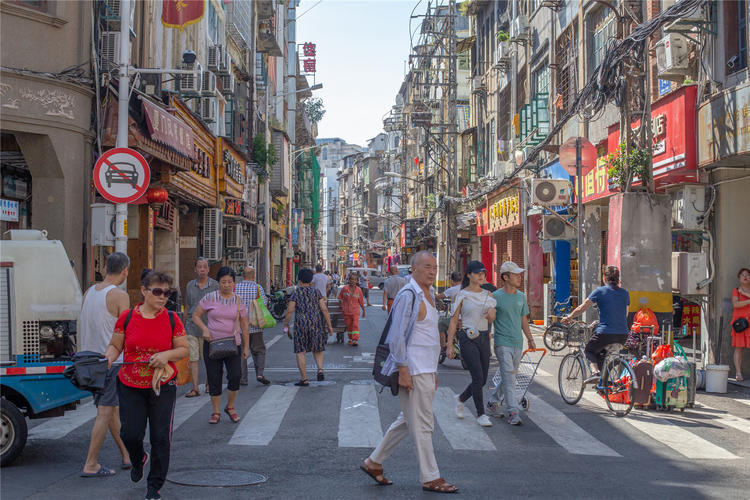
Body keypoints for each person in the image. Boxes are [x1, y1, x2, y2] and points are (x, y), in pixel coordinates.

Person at [361, 251, 458, 494]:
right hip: (413, 369)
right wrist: (403, 369)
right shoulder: (409, 294)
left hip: (425, 368)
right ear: (413, 269)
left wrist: (434, 372)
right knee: (424, 424)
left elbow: (428, 336)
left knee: (408, 420)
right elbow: (396, 337)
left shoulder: (429, 296)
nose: (432, 271)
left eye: (434, 267)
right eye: (426, 266)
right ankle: (430, 476)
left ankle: (374, 462)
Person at [104, 271, 189, 500]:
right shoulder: (128, 317)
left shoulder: (172, 318)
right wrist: (108, 358)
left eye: (167, 292)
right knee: (130, 434)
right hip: (130, 384)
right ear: (144, 291)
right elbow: (115, 345)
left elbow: (183, 349)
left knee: (161, 437)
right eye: (158, 291)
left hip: (162, 385)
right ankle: (138, 458)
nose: (163, 297)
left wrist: (166, 355)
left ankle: (154, 487)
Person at [80, 252, 131, 477]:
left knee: (111, 411)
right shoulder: (120, 296)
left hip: (89, 362)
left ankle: (127, 455)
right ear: (125, 271)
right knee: (105, 412)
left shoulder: (88, 292)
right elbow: (128, 331)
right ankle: (91, 463)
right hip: (111, 362)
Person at [191, 267, 250, 424]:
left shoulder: (238, 300)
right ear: (218, 282)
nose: (226, 285)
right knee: (214, 377)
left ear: (234, 283)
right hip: (212, 344)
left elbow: (245, 324)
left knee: (236, 376)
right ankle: (215, 411)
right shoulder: (210, 297)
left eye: (230, 282)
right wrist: (204, 329)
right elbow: (195, 315)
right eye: (223, 282)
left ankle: (230, 407)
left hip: (233, 344)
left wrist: (246, 346)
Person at [446, 261, 497, 427]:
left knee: (482, 380)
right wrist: (449, 345)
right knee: (477, 376)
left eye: (483, 272)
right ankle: (481, 414)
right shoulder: (461, 295)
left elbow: (493, 318)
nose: (481, 275)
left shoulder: (488, 294)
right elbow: (454, 321)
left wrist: (490, 315)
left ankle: (460, 398)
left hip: (483, 337)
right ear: (469, 275)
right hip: (467, 337)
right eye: (477, 273)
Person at [487, 261, 536, 426]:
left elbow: (524, 320)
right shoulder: (495, 296)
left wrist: (530, 339)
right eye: (515, 274)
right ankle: (513, 412)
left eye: (519, 274)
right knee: (509, 376)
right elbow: (490, 317)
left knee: (509, 376)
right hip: (501, 342)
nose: (519, 277)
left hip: (517, 342)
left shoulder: (521, 297)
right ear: (506, 277)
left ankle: (493, 402)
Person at [563, 265, 629, 383]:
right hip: (623, 334)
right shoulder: (625, 293)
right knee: (601, 354)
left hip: (605, 333)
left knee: (589, 350)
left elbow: (581, 308)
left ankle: (595, 372)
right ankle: (602, 384)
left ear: (604, 278)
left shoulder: (600, 291)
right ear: (618, 279)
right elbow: (626, 314)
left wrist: (569, 317)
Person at [284, 268, 334, 385]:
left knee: (301, 351)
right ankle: (320, 369)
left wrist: (286, 324)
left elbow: (290, 310)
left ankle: (304, 379)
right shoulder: (316, 292)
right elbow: (324, 309)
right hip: (316, 323)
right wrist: (330, 326)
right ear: (311, 280)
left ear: (299, 280)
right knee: (317, 348)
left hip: (301, 324)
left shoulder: (296, 293)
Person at [183, 259, 218, 398]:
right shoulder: (190, 285)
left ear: (208, 269)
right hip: (191, 326)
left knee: (208, 358)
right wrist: (183, 325)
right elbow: (187, 306)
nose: (202, 269)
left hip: (208, 328)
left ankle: (209, 384)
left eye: (205, 267)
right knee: (193, 358)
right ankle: (196, 387)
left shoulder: (215, 285)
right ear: (195, 269)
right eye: (199, 267)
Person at [236, 266, 271, 385]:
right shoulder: (258, 288)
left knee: (241, 352)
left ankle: (242, 378)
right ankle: (260, 374)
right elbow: (264, 306)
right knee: (259, 350)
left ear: (243, 276)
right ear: (254, 275)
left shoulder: (236, 287)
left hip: (240, 327)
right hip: (255, 325)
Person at [731, 268, 750, 381]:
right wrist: (748, 300)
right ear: (739, 278)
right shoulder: (736, 290)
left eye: (748, 275)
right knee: (739, 348)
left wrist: (745, 294)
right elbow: (736, 304)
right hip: (740, 323)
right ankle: (738, 372)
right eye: (743, 275)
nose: (745, 277)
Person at [339, 273, 366, 346]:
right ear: (349, 280)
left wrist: (363, 310)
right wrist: (341, 305)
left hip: (355, 311)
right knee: (349, 326)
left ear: (357, 281)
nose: (353, 281)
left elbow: (361, 301)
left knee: (355, 325)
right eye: (351, 279)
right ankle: (350, 338)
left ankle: (355, 340)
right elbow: (340, 298)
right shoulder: (345, 288)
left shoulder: (359, 290)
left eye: (354, 279)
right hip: (346, 311)